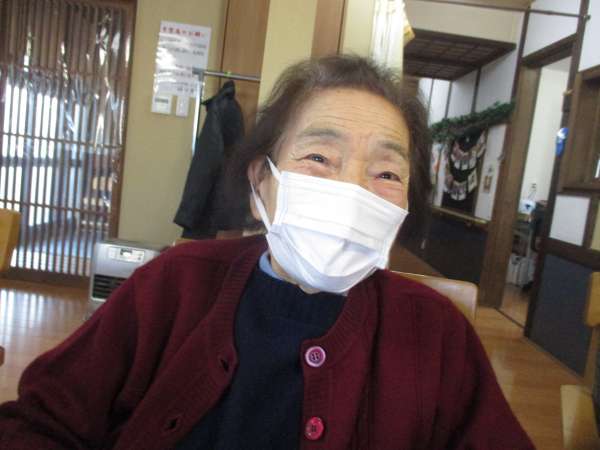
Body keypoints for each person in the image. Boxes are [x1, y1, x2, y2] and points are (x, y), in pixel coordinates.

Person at [0, 55, 534, 449]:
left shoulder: (436, 333)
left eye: (387, 173)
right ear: (261, 183)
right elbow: (40, 422)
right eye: (319, 157)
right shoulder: (173, 284)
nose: (353, 190)